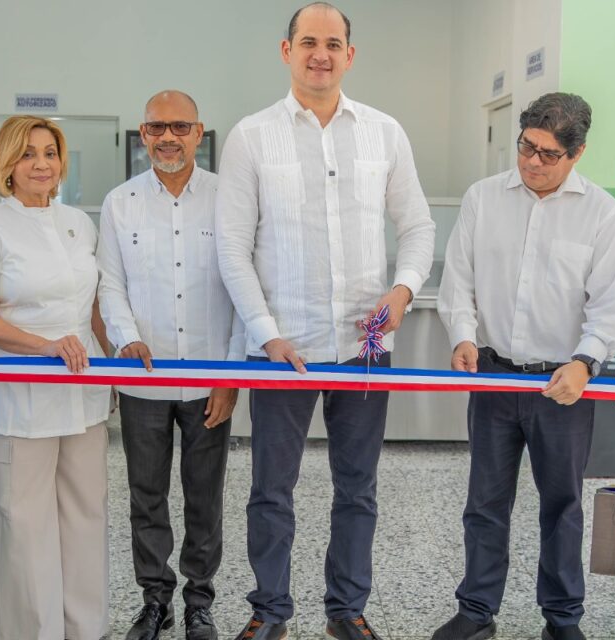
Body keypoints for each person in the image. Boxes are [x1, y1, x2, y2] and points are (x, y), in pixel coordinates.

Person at [215, 3, 436, 638]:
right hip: (281, 349)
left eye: (333, 43)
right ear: (285, 51)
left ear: (350, 54)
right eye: (308, 41)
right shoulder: (251, 136)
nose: (320, 53)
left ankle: (347, 609)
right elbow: (233, 247)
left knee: (357, 490)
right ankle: (270, 611)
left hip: (363, 349)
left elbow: (417, 226)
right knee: (270, 492)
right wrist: (266, 331)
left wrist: (403, 290)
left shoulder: (384, 133)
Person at [433, 92, 615, 640]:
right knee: (485, 502)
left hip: (561, 384)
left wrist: (587, 363)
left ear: (578, 153)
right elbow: (460, 281)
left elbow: (610, 307)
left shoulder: (602, 214)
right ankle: (476, 611)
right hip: (493, 374)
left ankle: (562, 618)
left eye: (548, 154)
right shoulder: (483, 198)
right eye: (526, 148)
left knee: (562, 505)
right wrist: (463, 337)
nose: (533, 162)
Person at [0, 115, 112, 640]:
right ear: (6, 164)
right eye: (28, 154)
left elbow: (90, 309)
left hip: (82, 398)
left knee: (85, 519)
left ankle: (84, 631)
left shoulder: (78, 223)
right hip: (16, 401)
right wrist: (45, 348)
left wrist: (115, 362)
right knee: (24, 528)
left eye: (49, 152)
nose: (41, 164)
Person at [98, 90, 243, 640]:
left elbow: (243, 291)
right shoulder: (121, 203)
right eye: (157, 127)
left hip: (210, 382)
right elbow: (110, 284)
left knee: (204, 497)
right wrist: (125, 340)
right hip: (145, 379)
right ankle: (154, 598)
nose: (168, 137)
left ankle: (199, 602)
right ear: (143, 133)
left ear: (199, 132)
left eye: (180, 127)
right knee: (147, 496)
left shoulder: (230, 198)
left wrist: (231, 376)